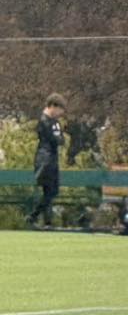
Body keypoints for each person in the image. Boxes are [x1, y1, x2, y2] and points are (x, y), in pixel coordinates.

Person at [28, 92, 66, 228]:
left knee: (52, 191)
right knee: (49, 191)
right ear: (52, 106)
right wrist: (58, 138)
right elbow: (53, 138)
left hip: (53, 158)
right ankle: (36, 217)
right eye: (59, 109)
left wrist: (59, 138)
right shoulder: (43, 121)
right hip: (45, 159)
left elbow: (61, 139)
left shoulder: (55, 122)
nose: (61, 113)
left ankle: (43, 220)